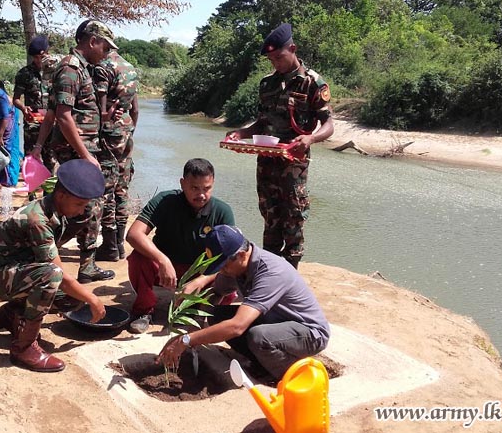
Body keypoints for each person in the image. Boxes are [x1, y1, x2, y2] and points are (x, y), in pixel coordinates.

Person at [0, 159, 107, 372]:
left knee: (71, 298)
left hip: (11, 273)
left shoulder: (57, 212)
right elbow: (57, 272)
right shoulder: (37, 219)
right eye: (79, 205)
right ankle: (23, 348)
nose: (81, 211)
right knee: (52, 275)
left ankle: (13, 314)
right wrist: (93, 299)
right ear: (61, 195)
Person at [157, 224, 330, 383]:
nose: (221, 271)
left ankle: (292, 374)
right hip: (275, 321)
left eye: (223, 266)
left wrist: (186, 340)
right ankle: (262, 361)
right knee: (217, 316)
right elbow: (216, 293)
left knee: (259, 337)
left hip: (309, 332)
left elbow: (237, 327)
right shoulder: (238, 266)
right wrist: (197, 324)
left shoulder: (271, 272)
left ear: (241, 255)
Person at [225, 23, 334, 269]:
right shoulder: (267, 84)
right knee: (270, 218)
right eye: (271, 59)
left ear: (292, 49)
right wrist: (241, 133)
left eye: (279, 57)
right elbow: (261, 123)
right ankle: (270, 273)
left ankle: (290, 277)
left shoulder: (312, 83)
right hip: (266, 164)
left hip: (293, 167)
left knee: (293, 219)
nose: (275, 63)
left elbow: (329, 124)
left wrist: (311, 139)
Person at [31, 20, 120, 284]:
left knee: (84, 206)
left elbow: (53, 112)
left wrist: (38, 146)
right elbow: (63, 116)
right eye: (104, 46)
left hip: (80, 148)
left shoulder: (80, 69)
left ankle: (77, 261)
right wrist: (85, 155)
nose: (106, 52)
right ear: (92, 41)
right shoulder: (70, 69)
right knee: (88, 205)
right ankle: (44, 253)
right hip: (75, 150)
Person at [126, 158, 235, 334]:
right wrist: (162, 260)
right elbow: (134, 234)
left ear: (213, 184)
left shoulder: (222, 211)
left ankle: (206, 313)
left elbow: (231, 257)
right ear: (182, 183)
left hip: (201, 272)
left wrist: (202, 279)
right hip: (165, 269)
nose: (201, 194)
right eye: (194, 188)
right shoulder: (165, 200)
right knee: (138, 257)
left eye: (206, 188)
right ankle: (143, 311)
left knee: (231, 278)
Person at [92, 48, 140, 263]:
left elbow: (101, 106)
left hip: (109, 131)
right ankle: (120, 244)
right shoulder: (130, 69)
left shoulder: (103, 67)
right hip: (126, 130)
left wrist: (102, 127)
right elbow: (135, 109)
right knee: (122, 186)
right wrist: (130, 130)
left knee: (107, 186)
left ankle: (110, 244)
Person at [13, 35, 58, 170]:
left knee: (51, 159)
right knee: (30, 159)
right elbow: (15, 99)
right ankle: (31, 191)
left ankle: (49, 191)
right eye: (36, 58)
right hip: (33, 124)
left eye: (41, 57)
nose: (39, 60)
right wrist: (23, 108)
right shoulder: (24, 74)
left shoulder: (56, 72)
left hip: (51, 123)